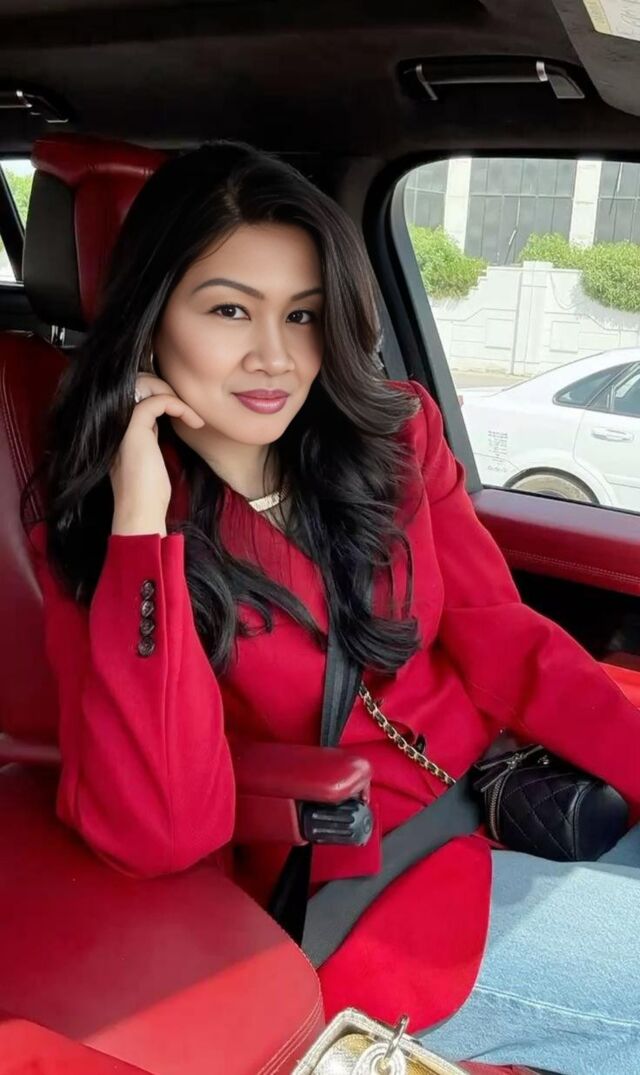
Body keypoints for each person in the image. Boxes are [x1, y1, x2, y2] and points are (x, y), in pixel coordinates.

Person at [30, 141, 640, 1075]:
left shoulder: (392, 438)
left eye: (303, 314)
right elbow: (159, 830)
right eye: (229, 309)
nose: (276, 356)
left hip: (506, 801)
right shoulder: (103, 540)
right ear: (152, 322)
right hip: (370, 894)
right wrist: (142, 522)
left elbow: (506, 640)